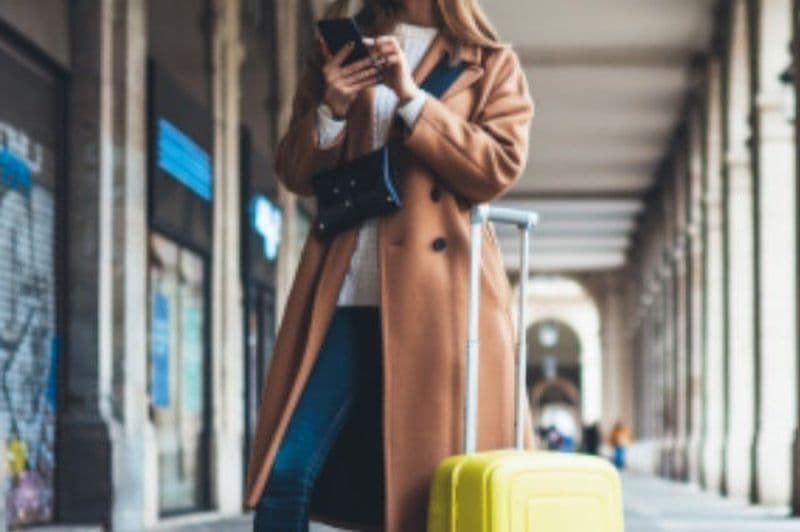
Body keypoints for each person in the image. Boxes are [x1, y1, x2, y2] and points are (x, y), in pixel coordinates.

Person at [244, 1, 534, 530]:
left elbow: (498, 167)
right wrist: (330, 109)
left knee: (421, 490)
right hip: (343, 291)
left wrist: (411, 98)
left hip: (440, 302)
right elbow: (294, 170)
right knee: (285, 471)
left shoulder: (489, 62)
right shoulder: (337, 49)